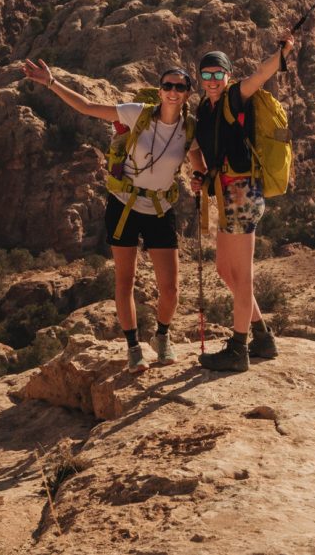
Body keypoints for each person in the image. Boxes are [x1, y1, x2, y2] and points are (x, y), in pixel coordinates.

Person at [21, 58, 192, 369]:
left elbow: (200, 162)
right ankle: (133, 347)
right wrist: (50, 82)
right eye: (167, 85)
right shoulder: (137, 113)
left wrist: (204, 177)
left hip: (159, 208)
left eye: (179, 87)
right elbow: (86, 106)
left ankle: (163, 337)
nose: (172, 91)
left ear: (188, 94)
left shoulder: (187, 129)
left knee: (170, 288)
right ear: (159, 89)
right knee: (125, 280)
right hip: (123, 205)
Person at [186, 37, 291, 373]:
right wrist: (200, 174)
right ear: (201, 78)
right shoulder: (204, 108)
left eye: (219, 74)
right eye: (208, 75)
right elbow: (200, 151)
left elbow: (261, 74)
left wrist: (282, 53)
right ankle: (262, 337)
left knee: (242, 275)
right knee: (224, 270)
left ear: (228, 76)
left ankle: (238, 348)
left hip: (243, 191)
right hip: (223, 191)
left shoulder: (236, 96)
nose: (214, 80)